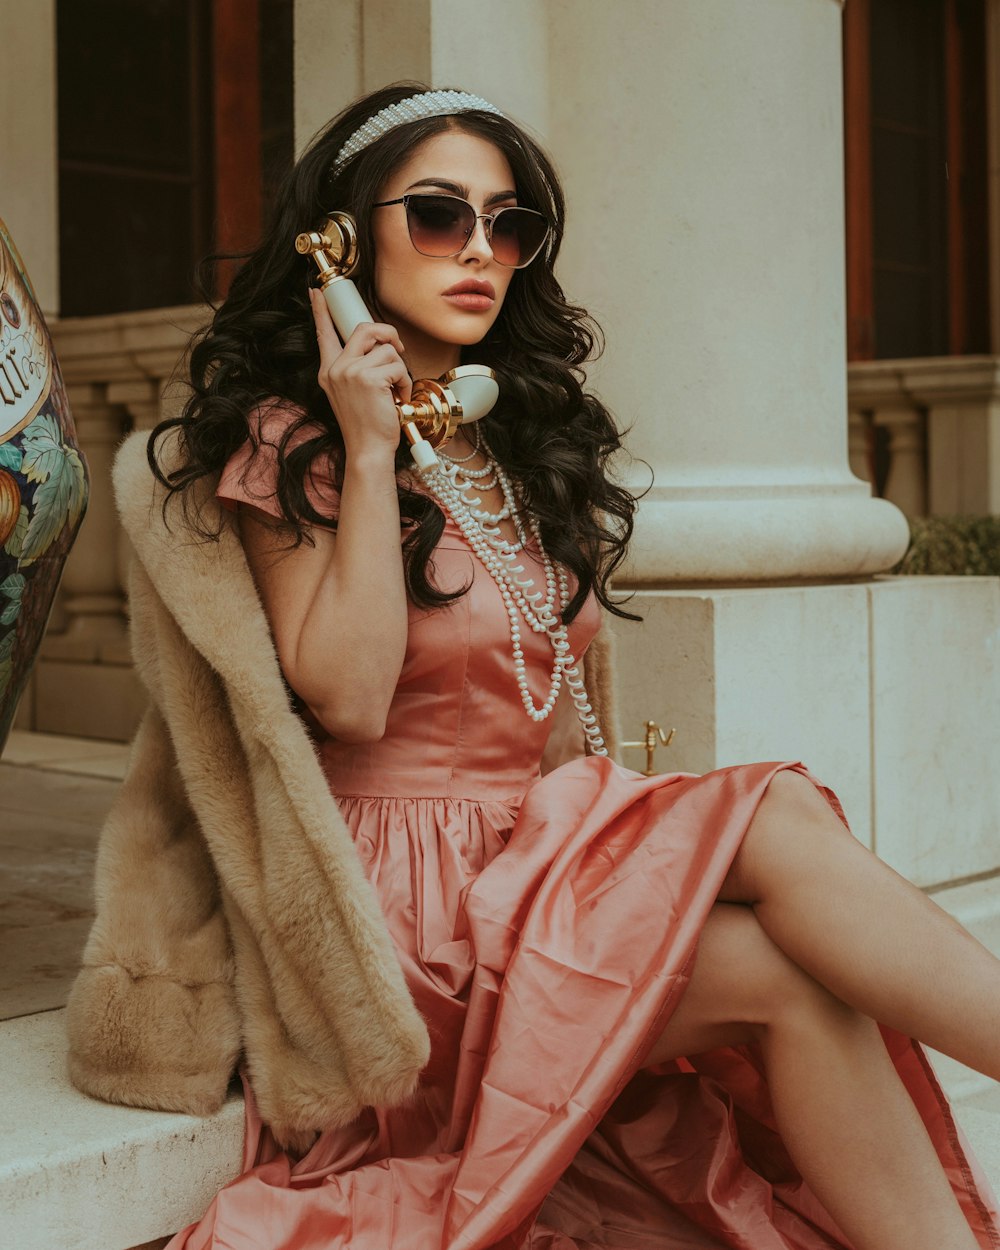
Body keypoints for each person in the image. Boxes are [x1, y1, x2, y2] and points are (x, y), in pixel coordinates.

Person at [71, 84, 1000, 1250]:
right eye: (440, 217)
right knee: (772, 813)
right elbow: (350, 696)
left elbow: (546, 705)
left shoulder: (500, 443)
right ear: (343, 243)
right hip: (400, 926)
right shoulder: (288, 443)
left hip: (536, 871)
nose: (480, 252)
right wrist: (367, 449)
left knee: (789, 966)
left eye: (507, 227)